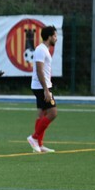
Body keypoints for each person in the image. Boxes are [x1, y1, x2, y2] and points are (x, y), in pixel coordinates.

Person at [27, 25, 58, 153]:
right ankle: (34, 138)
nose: (56, 38)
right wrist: (46, 89)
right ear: (49, 37)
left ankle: (38, 145)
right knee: (53, 113)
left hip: (42, 86)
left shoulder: (44, 49)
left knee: (42, 114)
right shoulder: (40, 50)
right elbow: (39, 70)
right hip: (41, 87)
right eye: (55, 36)